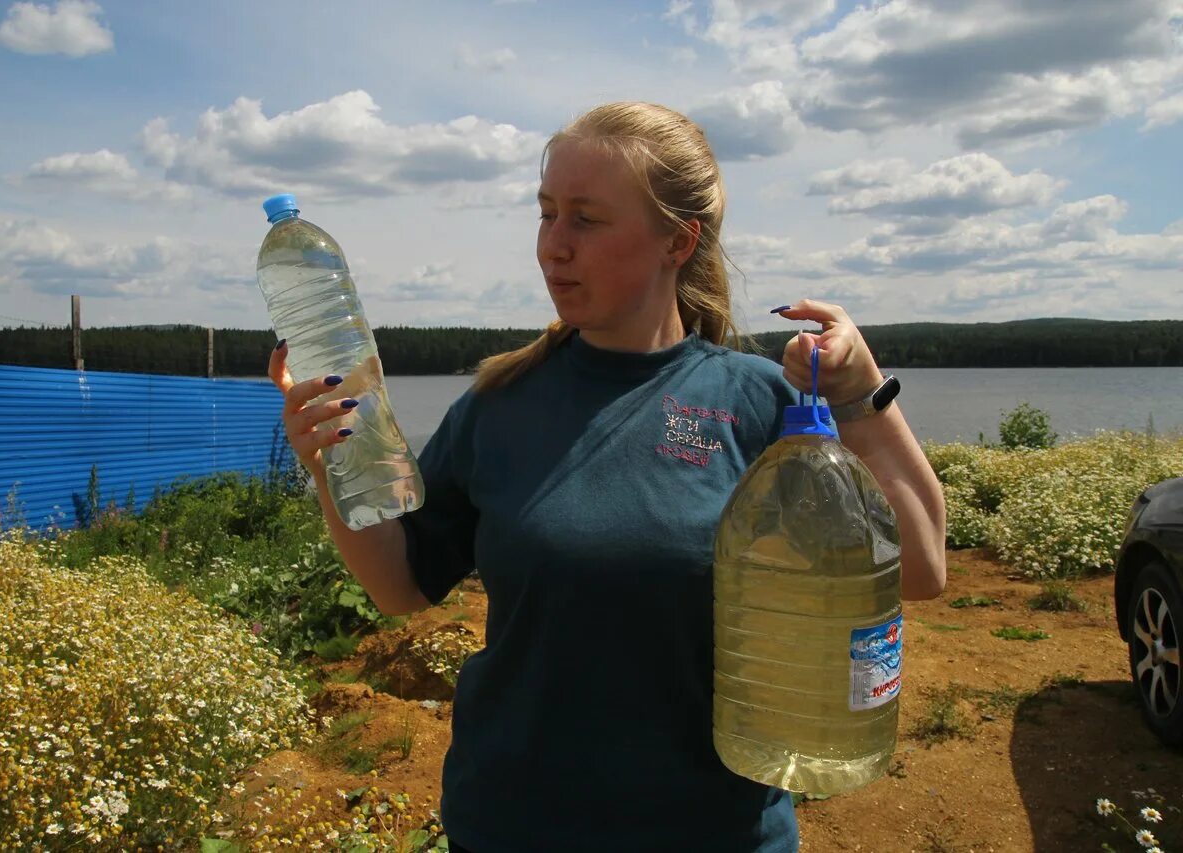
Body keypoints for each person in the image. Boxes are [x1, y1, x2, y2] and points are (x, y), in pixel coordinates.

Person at [268, 101, 946, 853]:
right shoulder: (500, 404)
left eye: (585, 220)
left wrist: (860, 394)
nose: (553, 247)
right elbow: (399, 586)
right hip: (512, 828)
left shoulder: (759, 402)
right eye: (547, 213)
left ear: (676, 241)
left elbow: (918, 564)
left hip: (712, 832)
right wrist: (331, 464)